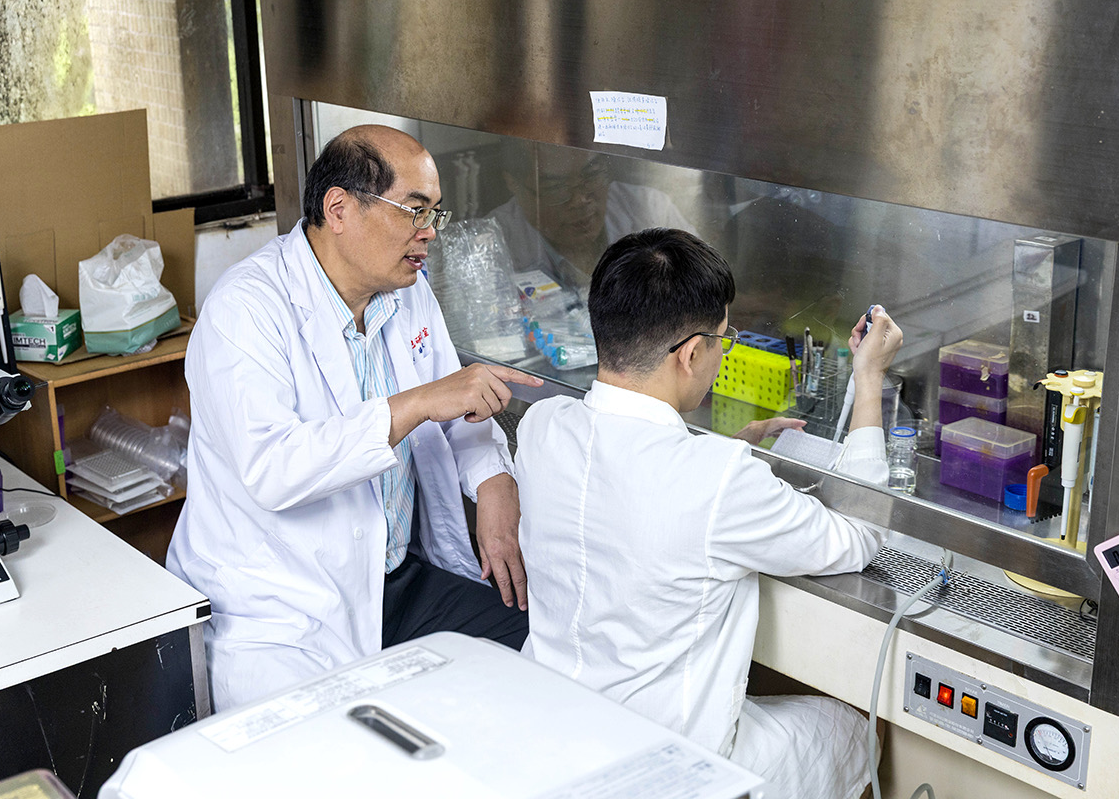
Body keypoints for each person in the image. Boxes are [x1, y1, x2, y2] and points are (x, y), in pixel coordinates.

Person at [515, 228, 903, 799]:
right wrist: (870, 378)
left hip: (554, 731)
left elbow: (631, 483)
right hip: (670, 768)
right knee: (859, 725)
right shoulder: (718, 478)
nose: (724, 354)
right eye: (724, 340)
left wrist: (733, 450)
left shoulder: (541, 426)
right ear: (692, 354)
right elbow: (863, 531)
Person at [166, 125, 543, 711]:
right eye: (414, 212)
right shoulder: (244, 310)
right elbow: (273, 469)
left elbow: (457, 407)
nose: (429, 233)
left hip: (395, 578)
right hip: (284, 607)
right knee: (334, 749)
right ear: (338, 209)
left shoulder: (406, 289)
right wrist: (416, 404)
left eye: (434, 214)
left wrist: (495, 482)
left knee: (538, 648)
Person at [488, 141, 697, 298]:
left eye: (592, 174)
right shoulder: (494, 242)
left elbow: (703, 289)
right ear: (513, 184)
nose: (580, 200)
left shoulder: (650, 209)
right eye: (555, 187)